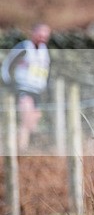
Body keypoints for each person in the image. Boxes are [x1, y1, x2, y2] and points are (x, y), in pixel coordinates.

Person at [1, 23, 51, 151]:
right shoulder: (24, 47)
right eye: (40, 34)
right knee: (26, 120)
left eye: (46, 35)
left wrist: (46, 87)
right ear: (33, 33)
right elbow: (7, 65)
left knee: (33, 124)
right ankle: (20, 150)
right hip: (23, 89)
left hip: (37, 91)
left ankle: (26, 149)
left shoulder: (44, 51)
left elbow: (45, 71)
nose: (43, 38)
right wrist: (10, 84)